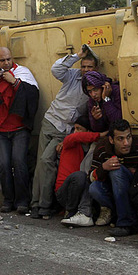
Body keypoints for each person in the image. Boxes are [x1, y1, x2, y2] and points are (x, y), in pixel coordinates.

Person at [30, 46, 98, 219]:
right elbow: (56, 69)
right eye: (84, 66)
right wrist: (77, 56)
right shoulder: (73, 75)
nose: (86, 70)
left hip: (65, 130)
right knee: (41, 164)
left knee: (47, 161)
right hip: (50, 121)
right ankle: (36, 204)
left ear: (95, 68)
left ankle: (46, 205)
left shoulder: (94, 87)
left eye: (90, 67)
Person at [0, 47, 39, 214]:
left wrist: (14, 82)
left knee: (20, 163)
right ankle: (8, 200)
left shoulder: (22, 72)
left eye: (8, 59)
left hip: (19, 129)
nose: (6, 63)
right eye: (2, 61)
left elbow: (32, 95)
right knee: (3, 165)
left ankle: (23, 202)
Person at [89, 119, 138, 237]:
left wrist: (136, 174)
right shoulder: (102, 149)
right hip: (113, 192)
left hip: (135, 191)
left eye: (128, 137)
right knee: (94, 188)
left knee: (117, 171)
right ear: (111, 140)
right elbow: (90, 177)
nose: (126, 143)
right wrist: (104, 167)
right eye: (120, 139)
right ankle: (120, 214)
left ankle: (127, 223)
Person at [54, 116, 105, 227]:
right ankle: (71, 211)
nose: (75, 132)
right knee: (80, 175)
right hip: (64, 193)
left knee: (91, 176)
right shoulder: (69, 142)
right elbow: (74, 138)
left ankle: (84, 213)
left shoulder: (93, 148)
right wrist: (100, 135)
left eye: (79, 129)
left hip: (81, 193)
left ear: (88, 131)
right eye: (74, 128)